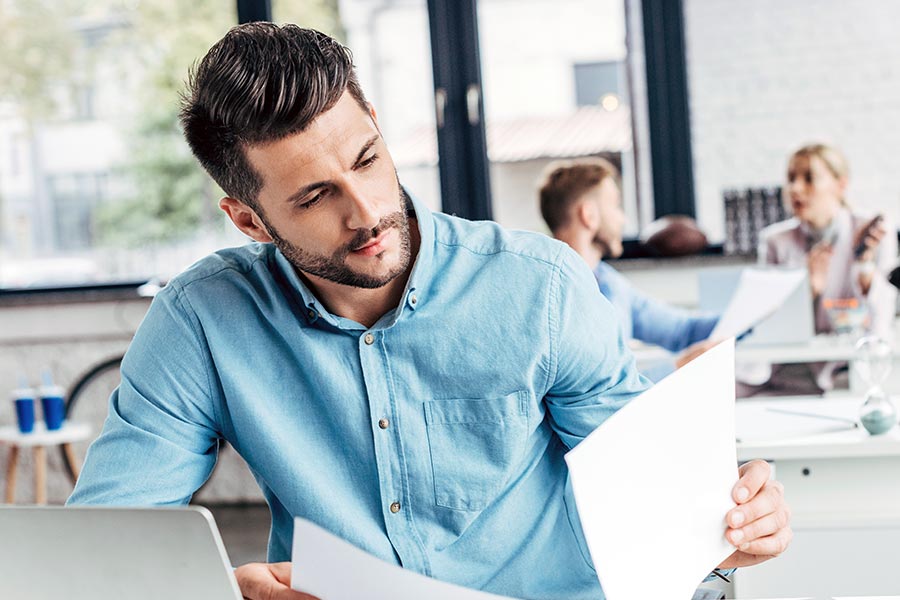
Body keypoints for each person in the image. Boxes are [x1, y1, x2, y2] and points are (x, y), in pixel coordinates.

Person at [68, 24, 791, 600]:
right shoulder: (202, 321)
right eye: (315, 198)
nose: (368, 210)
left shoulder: (540, 289)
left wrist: (734, 530)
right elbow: (103, 551)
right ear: (250, 221)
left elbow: (662, 515)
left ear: (378, 126)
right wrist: (222, 591)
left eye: (366, 158)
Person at [539, 158, 721, 380]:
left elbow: (683, 330)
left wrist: (744, 315)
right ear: (589, 215)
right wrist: (676, 368)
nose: (622, 219)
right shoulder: (548, 295)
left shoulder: (609, 282)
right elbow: (592, 391)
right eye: (615, 205)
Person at [741, 143, 898, 395]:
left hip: (850, 369)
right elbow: (766, 326)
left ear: (840, 184)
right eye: (791, 178)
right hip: (792, 371)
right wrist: (808, 289)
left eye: (809, 178)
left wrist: (864, 265)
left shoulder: (871, 233)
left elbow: (881, 320)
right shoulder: (774, 241)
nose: (795, 188)